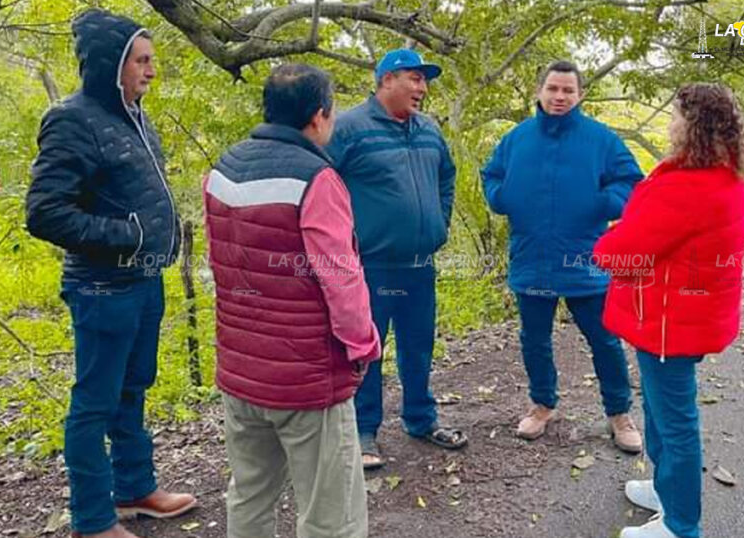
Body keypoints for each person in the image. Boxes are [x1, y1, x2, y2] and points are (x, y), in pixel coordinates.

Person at [25, 9, 194, 538]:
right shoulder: (72, 118)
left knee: (133, 389)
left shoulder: (136, 117)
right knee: (94, 402)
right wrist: (131, 234)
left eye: (151, 61)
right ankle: (93, 518)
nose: (150, 71)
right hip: (101, 286)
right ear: (111, 65)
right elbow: (45, 212)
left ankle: (134, 490)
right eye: (141, 61)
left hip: (143, 283)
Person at [203, 63, 380, 538]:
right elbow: (341, 280)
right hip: (306, 378)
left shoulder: (222, 168)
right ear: (320, 115)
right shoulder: (316, 179)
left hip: (241, 370)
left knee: (250, 495)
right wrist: (363, 347)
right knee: (330, 512)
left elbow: (219, 262)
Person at [593, 83, 744, 538]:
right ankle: (666, 492)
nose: (670, 124)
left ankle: (682, 525)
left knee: (676, 423)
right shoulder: (725, 177)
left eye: (677, 116)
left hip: (667, 323)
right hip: (682, 318)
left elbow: (619, 255)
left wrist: (610, 238)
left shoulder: (687, 188)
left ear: (693, 128)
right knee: (661, 413)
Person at [480, 60, 645, 452]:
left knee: (604, 339)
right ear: (540, 91)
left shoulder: (600, 139)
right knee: (534, 339)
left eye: (568, 90)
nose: (559, 97)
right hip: (531, 256)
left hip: (582, 259)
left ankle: (619, 415)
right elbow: (492, 176)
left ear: (580, 95)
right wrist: (502, 198)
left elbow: (631, 181)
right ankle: (542, 405)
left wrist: (603, 203)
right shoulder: (518, 139)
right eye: (553, 88)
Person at [326, 48, 466, 470]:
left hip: (420, 265)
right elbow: (322, 184)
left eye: (424, 80)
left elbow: (446, 175)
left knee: (419, 345)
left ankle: (421, 419)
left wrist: (439, 222)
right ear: (386, 80)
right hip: (371, 265)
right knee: (368, 349)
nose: (422, 87)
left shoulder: (427, 129)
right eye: (414, 78)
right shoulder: (349, 128)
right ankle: (364, 430)